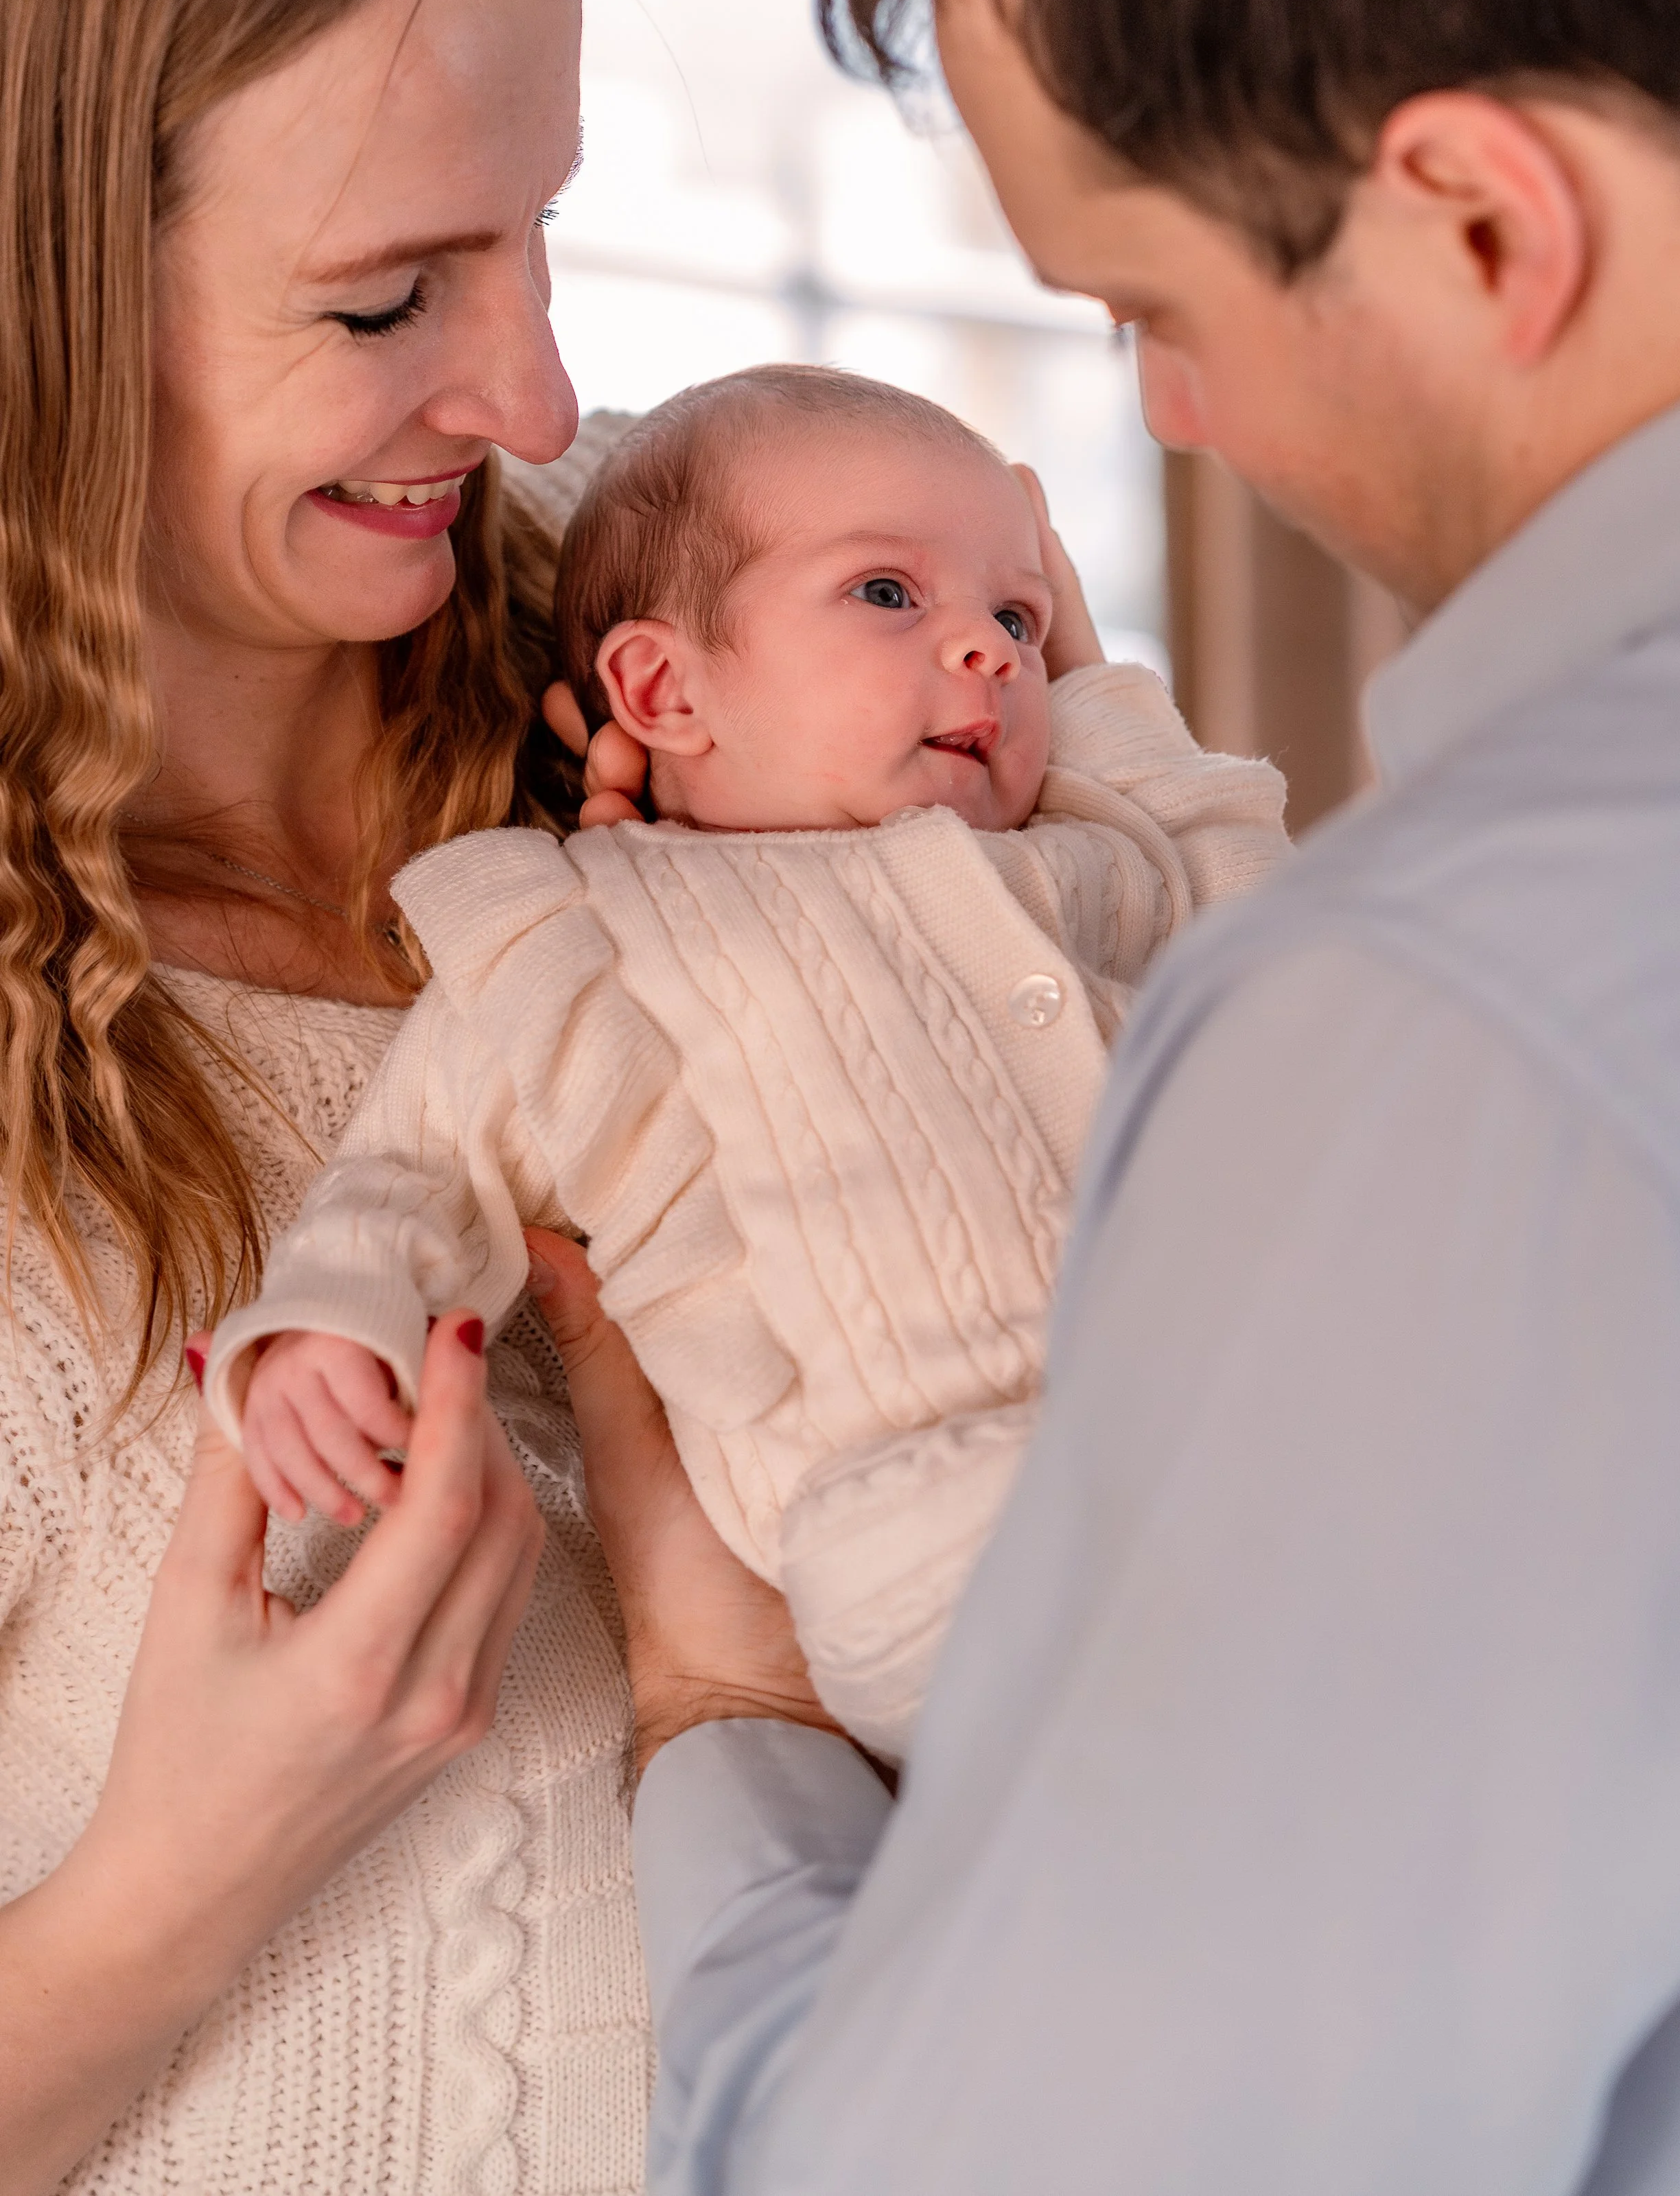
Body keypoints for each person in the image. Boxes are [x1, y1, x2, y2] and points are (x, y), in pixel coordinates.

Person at [518, 0, 1680, 2187]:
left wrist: (717, 1710)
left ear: (1484, 226)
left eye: (1154, 316)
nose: (1158, 433)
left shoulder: (1454, 1026)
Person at [0, 0, 653, 2189]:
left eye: (542, 238)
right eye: (389, 299)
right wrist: (186, 1872)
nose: (540, 398)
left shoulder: (692, 685)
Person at [196, 362, 1286, 1759]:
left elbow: (1277, 949)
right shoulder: (589, 936)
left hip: (1248, 1416)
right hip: (906, 1508)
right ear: (662, 683)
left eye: (1015, 617)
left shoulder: (1086, 857)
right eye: (889, 594)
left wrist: (1103, 700)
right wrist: (332, 1325)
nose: (992, 651)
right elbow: (418, 1161)